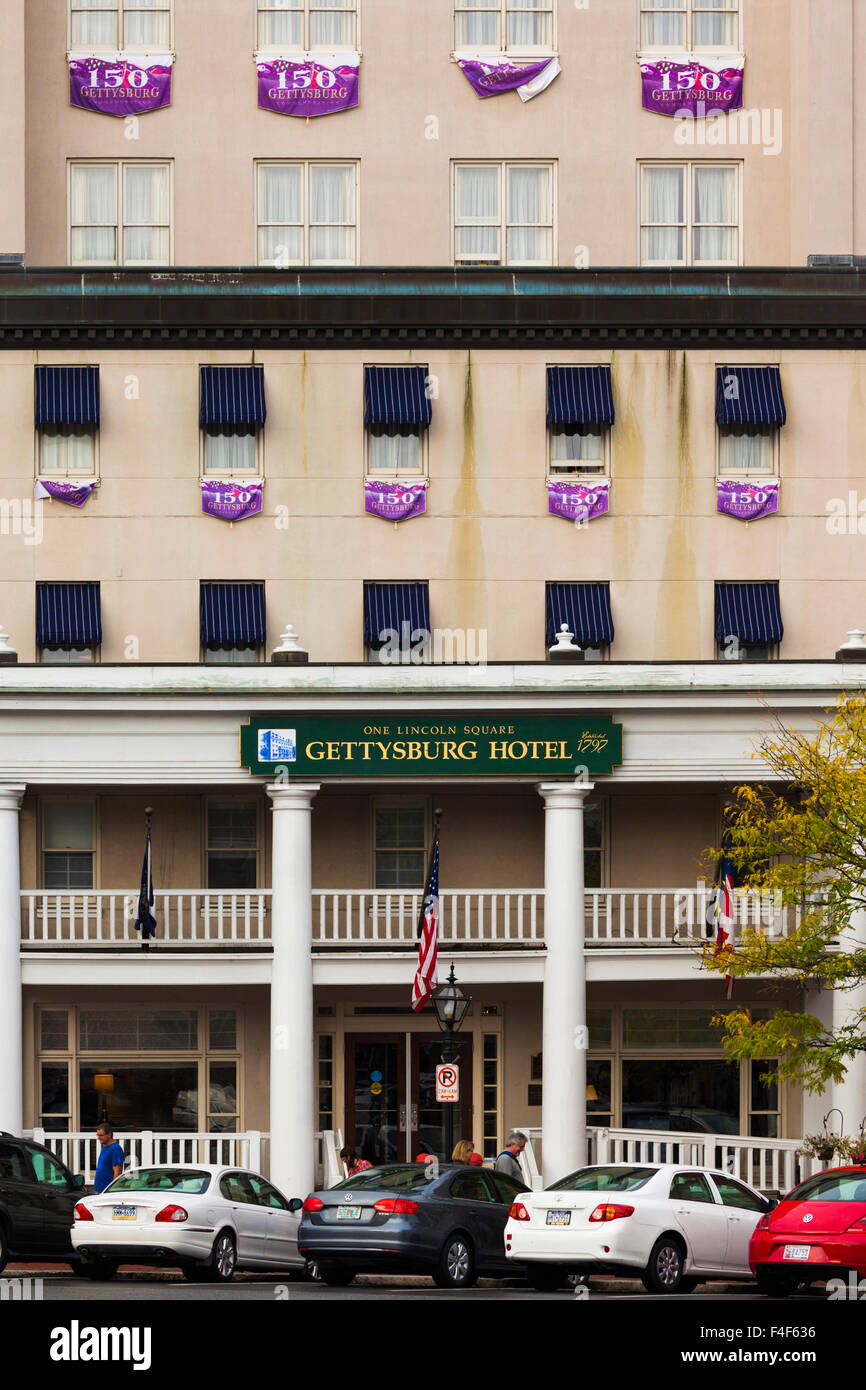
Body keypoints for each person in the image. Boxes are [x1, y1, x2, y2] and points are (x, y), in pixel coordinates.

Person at [94, 1124, 124, 1194]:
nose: (98, 1138)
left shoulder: (115, 1148)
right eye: (97, 1135)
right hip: (100, 1189)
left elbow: (118, 1171)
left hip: (107, 1191)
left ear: (109, 1135)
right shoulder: (105, 1147)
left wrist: (112, 1190)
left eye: (101, 1135)